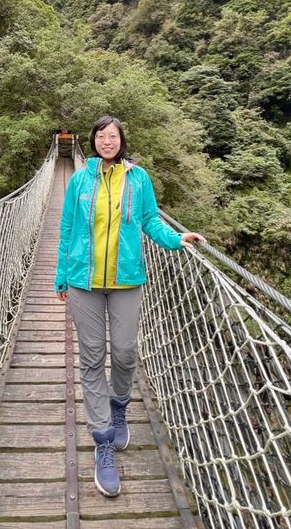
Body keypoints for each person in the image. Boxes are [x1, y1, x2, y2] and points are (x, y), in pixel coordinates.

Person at [54, 115, 206, 497]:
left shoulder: (139, 179)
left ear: (122, 141)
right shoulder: (79, 180)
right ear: (93, 141)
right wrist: (61, 274)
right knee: (91, 359)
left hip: (126, 279)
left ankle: (119, 406)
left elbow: (149, 220)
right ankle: (103, 440)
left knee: (123, 352)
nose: (107, 141)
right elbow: (67, 228)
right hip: (82, 281)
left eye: (113, 136)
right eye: (101, 136)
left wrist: (175, 238)